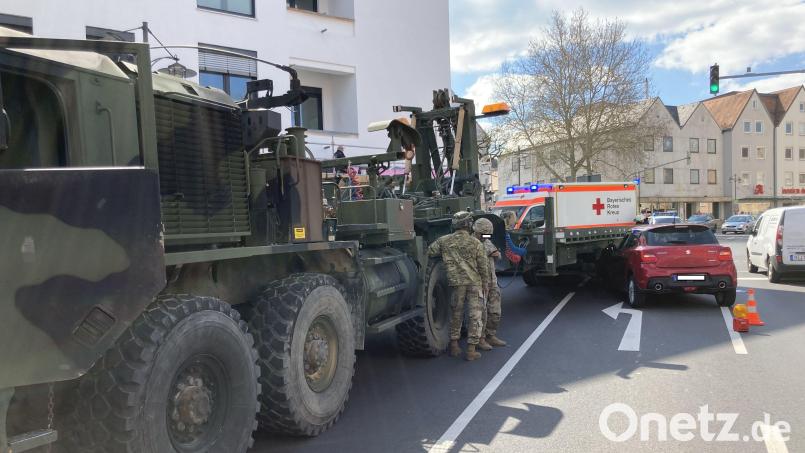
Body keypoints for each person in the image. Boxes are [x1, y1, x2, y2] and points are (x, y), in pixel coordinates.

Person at [427, 211, 490, 361]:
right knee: (475, 315)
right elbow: (483, 265)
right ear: (468, 225)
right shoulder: (476, 243)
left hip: (456, 283)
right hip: (474, 283)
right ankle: (471, 350)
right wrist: (486, 283)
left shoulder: (444, 241)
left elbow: (430, 252)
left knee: (456, 313)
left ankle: (454, 346)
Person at [472, 218, 507, 350]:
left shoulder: (486, 240)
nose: (485, 236)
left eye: (487, 234)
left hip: (492, 281)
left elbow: (498, 255)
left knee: (495, 311)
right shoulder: (471, 242)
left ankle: (490, 335)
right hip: (479, 283)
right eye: (483, 233)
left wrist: (493, 251)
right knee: (480, 313)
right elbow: (493, 253)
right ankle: (480, 339)